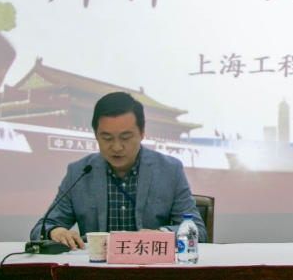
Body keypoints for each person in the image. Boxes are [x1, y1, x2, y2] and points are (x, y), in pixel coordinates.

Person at [29, 91, 207, 249]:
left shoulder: (169, 170)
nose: (116, 147)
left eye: (125, 137)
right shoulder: (79, 172)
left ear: (142, 132)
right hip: (97, 270)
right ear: (96, 135)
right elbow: (41, 228)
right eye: (107, 138)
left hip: (149, 268)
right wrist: (55, 231)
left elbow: (198, 231)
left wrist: (161, 235)